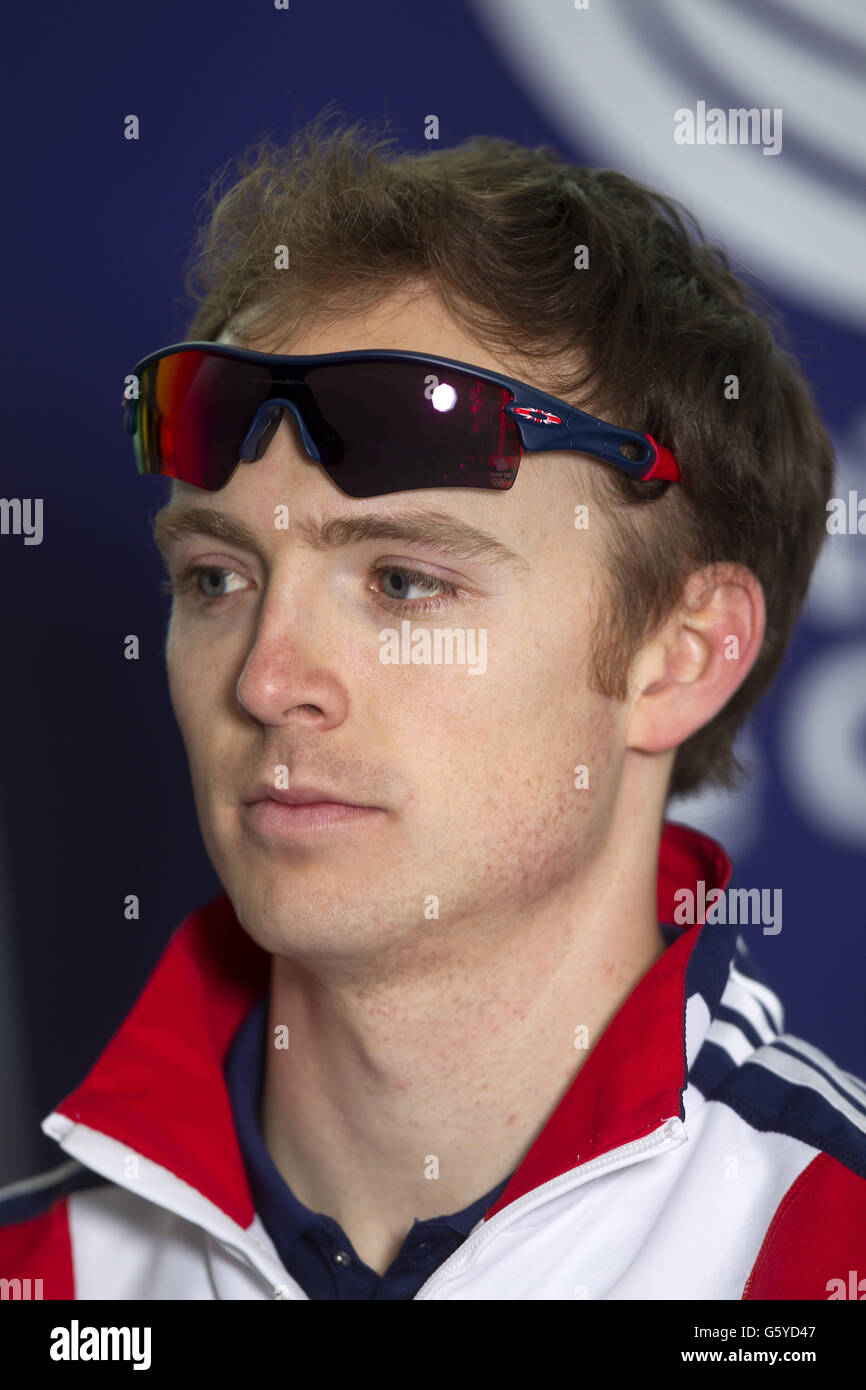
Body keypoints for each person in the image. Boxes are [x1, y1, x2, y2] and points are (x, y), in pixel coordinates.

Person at [2, 114, 864, 1301]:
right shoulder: (34, 1281)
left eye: (404, 581)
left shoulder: (831, 1256)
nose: (265, 679)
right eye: (216, 579)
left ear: (678, 657)